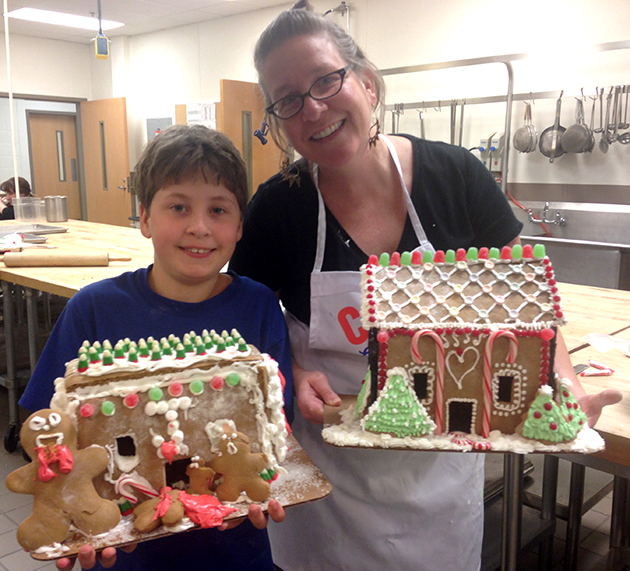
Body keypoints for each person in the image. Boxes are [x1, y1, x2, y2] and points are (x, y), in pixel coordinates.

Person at [229, 2, 622, 570]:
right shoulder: (277, 208)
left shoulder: (454, 176)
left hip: (440, 476)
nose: (312, 108)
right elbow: (245, 317)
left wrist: (561, 382)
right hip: (328, 488)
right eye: (288, 98)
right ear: (279, 120)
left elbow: (524, 299)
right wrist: (288, 360)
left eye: (326, 79)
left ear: (366, 82)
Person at [19, 125, 292, 571]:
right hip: (125, 553)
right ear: (144, 217)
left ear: (240, 225)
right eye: (178, 206)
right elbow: (42, 426)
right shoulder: (94, 309)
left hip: (235, 550)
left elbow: (280, 421)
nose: (199, 227)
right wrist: (68, 507)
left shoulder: (258, 305)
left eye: (218, 209)